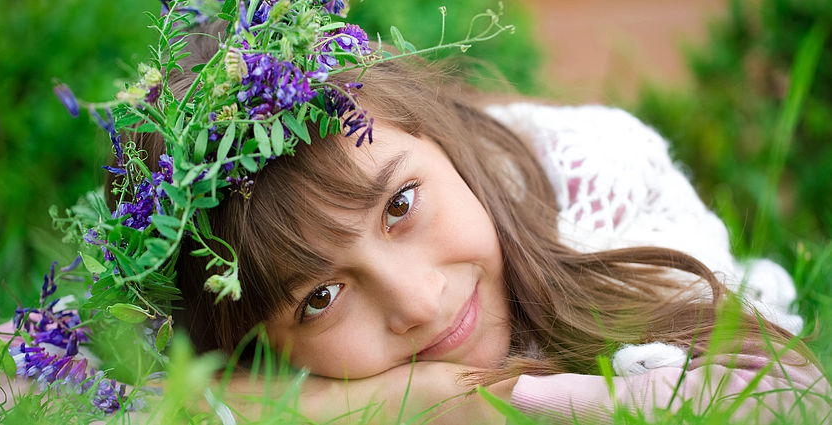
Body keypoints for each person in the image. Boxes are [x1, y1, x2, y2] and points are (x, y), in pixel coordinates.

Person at [114, 18, 828, 424]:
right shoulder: (208, 304)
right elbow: (10, 375)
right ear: (249, 349)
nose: (419, 301)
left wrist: (496, 400)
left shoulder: (596, 184)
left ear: (437, 137)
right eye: (319, 299)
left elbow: (795, 401)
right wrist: (400, 399)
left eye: (400, 206)